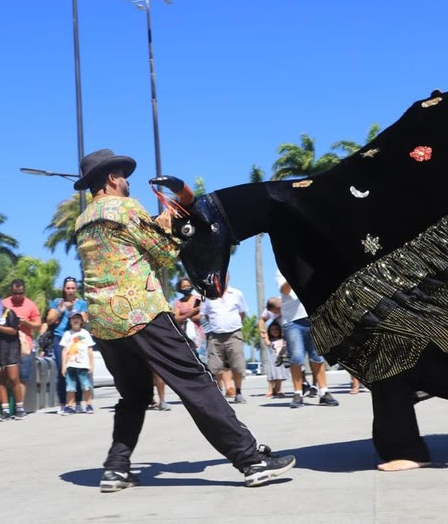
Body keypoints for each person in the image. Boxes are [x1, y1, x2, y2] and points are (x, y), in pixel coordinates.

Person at [166, 87, 448, 471]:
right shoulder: (298, 205)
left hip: (376, 276)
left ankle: (435, 429)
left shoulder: (326, 194)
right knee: (392, 359)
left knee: (401, 359)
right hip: (351, 275)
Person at [73, 148, 295, 491]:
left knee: (133, 396)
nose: (128, 181)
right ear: (112, 178)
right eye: (124, 176)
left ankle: (116, 468)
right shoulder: (125, 207)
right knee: (196, 382)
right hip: (141, 312)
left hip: (103, 322)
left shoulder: (82, 220)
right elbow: (164, 254)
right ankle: (250, 460)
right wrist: (169, 226)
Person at [276, 271, 339, 408]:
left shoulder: (310, 267)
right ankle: (298, 394)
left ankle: (324, 392)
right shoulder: (283, 270)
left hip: (314, 317)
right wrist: (294, 274)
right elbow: (284, 290)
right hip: (293, 320)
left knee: (318, 356)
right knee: (296, 357)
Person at [200, 274, 249, 404]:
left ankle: (238, 392)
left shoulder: (237, 294)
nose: (221, 279)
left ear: (228, 278)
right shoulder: (208, 296)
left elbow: (242, 313)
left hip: (234, 334)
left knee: (237, 365)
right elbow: (206, 315)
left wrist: (231, 324)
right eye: (218, 277)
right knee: (214, 367)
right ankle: (217, 393)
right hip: (215, 336)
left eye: (223, 276)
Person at [45, 277, 88, 413]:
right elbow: (49, 320)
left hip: (76, 338)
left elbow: (85, 321)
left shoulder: (81, 303)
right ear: (64, 289)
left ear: (76, 289)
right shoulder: (57, 302)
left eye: (73, 288)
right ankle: (63, 403)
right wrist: (62, 309)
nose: (70, 291)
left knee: (78, 369)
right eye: (68, 288)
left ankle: (78, 403)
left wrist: (76, 312)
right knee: (62, 370)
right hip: (60, 338)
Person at [0, 291, 26, 421]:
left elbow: (13, 331)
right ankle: (5, 409)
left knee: (13, 378)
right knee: (1, 380)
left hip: (11, 349)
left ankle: (19, 408)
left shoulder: (9, 313)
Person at [3, 279, 42, 407]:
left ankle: (19, 406)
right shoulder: (4, 303)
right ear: (11, 291)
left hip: (25, 346)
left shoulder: (31, 305)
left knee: (22, 377)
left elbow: (38, 325)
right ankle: (6, 407)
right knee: (7, 378)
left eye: (20, 293)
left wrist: (25, 323)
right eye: (15, 293)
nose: (18, 296)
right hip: (8, 345)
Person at [59, 311, 95, 414]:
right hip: (70, 364)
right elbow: (64, 351)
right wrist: (63, 365)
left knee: (86, 385)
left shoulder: (85, 333)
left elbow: (89, 349)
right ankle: (70, 406)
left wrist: (91, 364)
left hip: (83, 364)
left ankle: (89, 405)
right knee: (70, 387)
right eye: (73, 318)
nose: (76, 320)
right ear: (70, 321)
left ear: (81, 321)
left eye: (78, 318)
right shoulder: (67, 334)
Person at [263, 321, 289, 397]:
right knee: (272, 377)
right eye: (273, 329)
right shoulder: (270, 341)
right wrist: (265, 336)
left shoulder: (283, 339)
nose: (275, 331)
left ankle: (278, 389)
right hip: (273, 361)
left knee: (280, 376)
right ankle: (270, 389)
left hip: (282, 360)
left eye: (277, 329)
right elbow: (267, 343)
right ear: (270, 331)